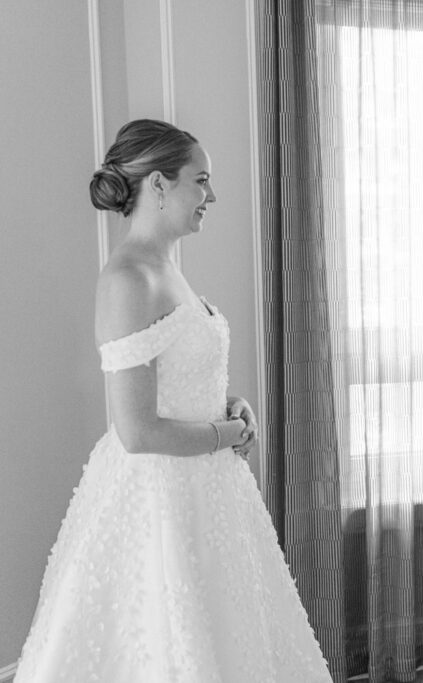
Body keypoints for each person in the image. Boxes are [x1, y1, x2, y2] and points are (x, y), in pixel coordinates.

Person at [14, 119, 332, 682]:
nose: (211, 196)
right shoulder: (129, 279)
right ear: (159, 185)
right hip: (161, 498)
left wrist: (230, 404)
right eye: (201, 181)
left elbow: (178, 380)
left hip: (208, 491)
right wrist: (227, 436)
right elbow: (136, 432)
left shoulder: (168, 270)